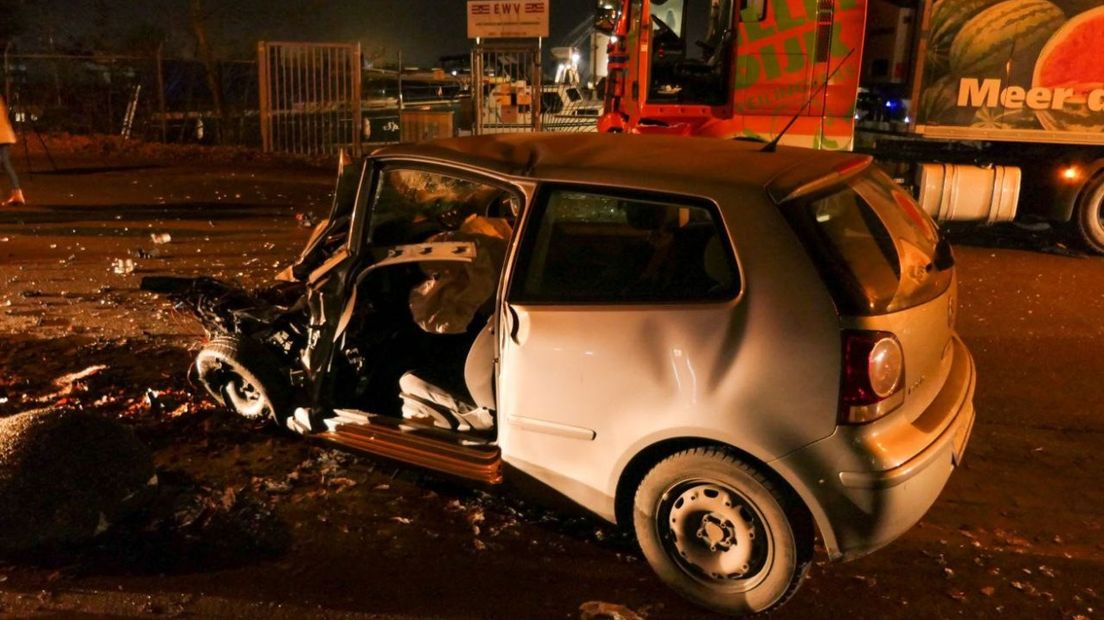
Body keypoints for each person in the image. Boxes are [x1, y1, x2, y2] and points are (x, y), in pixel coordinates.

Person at [0, 94, 25, 206]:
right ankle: (17, 193)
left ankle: (17, 193)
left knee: (5, 163)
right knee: (6, 163)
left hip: (2, 136)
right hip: (5, 135)